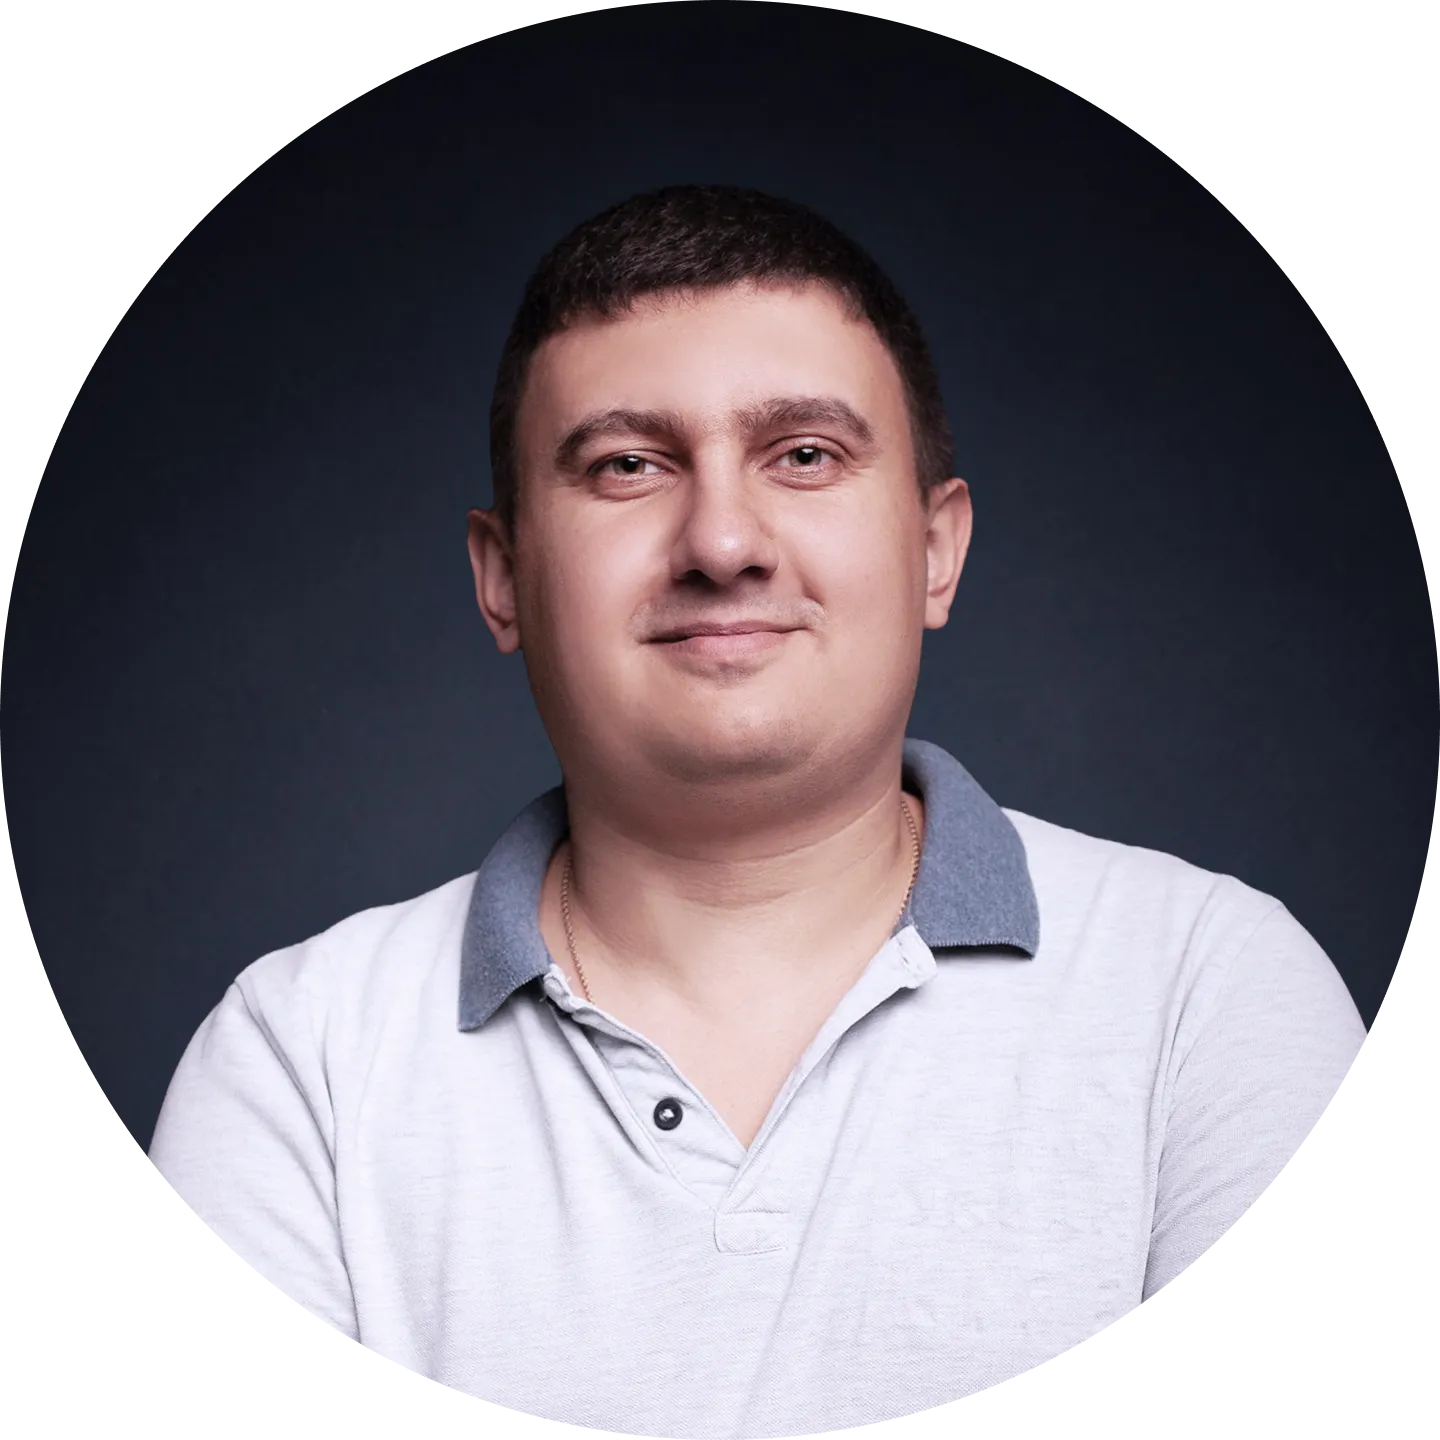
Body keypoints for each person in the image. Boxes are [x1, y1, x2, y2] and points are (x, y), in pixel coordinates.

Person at [146, 185, 1367, 1436]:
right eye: (628, 464)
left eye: (804, 455)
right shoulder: (301, 1067)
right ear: (503, 576)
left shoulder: (1212, 1001)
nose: (722, 539)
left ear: (935, 550)